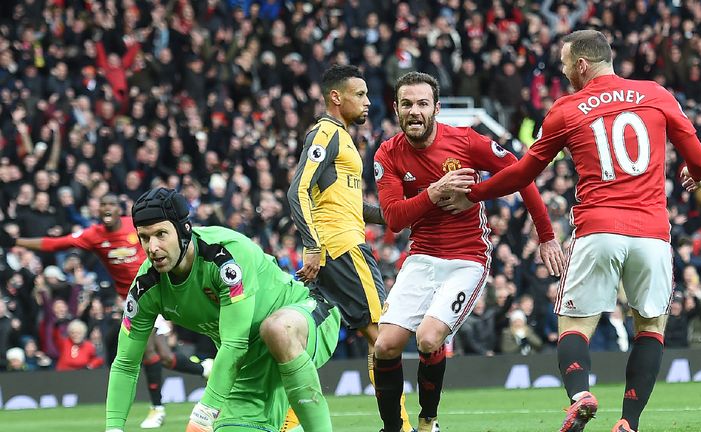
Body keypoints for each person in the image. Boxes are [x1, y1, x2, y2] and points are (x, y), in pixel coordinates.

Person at [439, 30, 701, 432]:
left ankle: (581, 395)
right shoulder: (656, 93)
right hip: (652, 233)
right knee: (650, 328)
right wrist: (695, 173)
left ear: (582, 64)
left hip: (598, 229)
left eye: (565, 63)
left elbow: (522, 173)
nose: (564, 71)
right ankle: (628, 423)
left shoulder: (567, 109)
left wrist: (474, 193)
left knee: (575, 326)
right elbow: (700, 159)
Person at [372, 71, 564, 432]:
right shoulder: (388, 153)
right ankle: (392, 429)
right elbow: (394, 218)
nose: (415, 111)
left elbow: (522, 173)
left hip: (466, 259)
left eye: (423, 104)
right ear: (396, 109)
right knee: (385, 346)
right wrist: (435, 191)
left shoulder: (465, 142)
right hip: (421, 257)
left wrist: (546, 235)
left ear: (437, 108)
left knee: (428, 338)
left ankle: (428, 422)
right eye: (407, 104)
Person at [105, 187, 340, 432]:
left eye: (161, 234)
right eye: (144, 237)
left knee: (277, 329)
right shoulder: (145, 287)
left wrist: (205, 412)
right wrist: (113, 428)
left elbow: (235, 343)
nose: (152, 247)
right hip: (247, 364)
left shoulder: (224, 255)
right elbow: (125, 363)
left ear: (184, 230)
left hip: (307, 316)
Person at [0, 193, 210, 428]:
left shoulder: (136, 226)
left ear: (118, 208)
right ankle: (204, 369)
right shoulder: (94, 235)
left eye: (111, 204)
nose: (106, 208)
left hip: (158, 290)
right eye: (102, 205)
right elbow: (56, 243)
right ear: (98, 210)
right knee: (165, 358)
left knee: (149, 353)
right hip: (135, 299)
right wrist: (15, 242)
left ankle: (157, 409)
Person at [288, 64, 414, 431]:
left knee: (307, 343)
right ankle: (402, 426)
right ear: (336, 97)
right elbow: (298, 189)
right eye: (360, 94)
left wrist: (395, 215)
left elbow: (349, 205)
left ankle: (286, 422)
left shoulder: (341, 139)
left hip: (334, 249)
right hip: (342, 249)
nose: (368, 102)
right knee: (383, 338)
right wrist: (312, 246)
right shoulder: (326, 134)